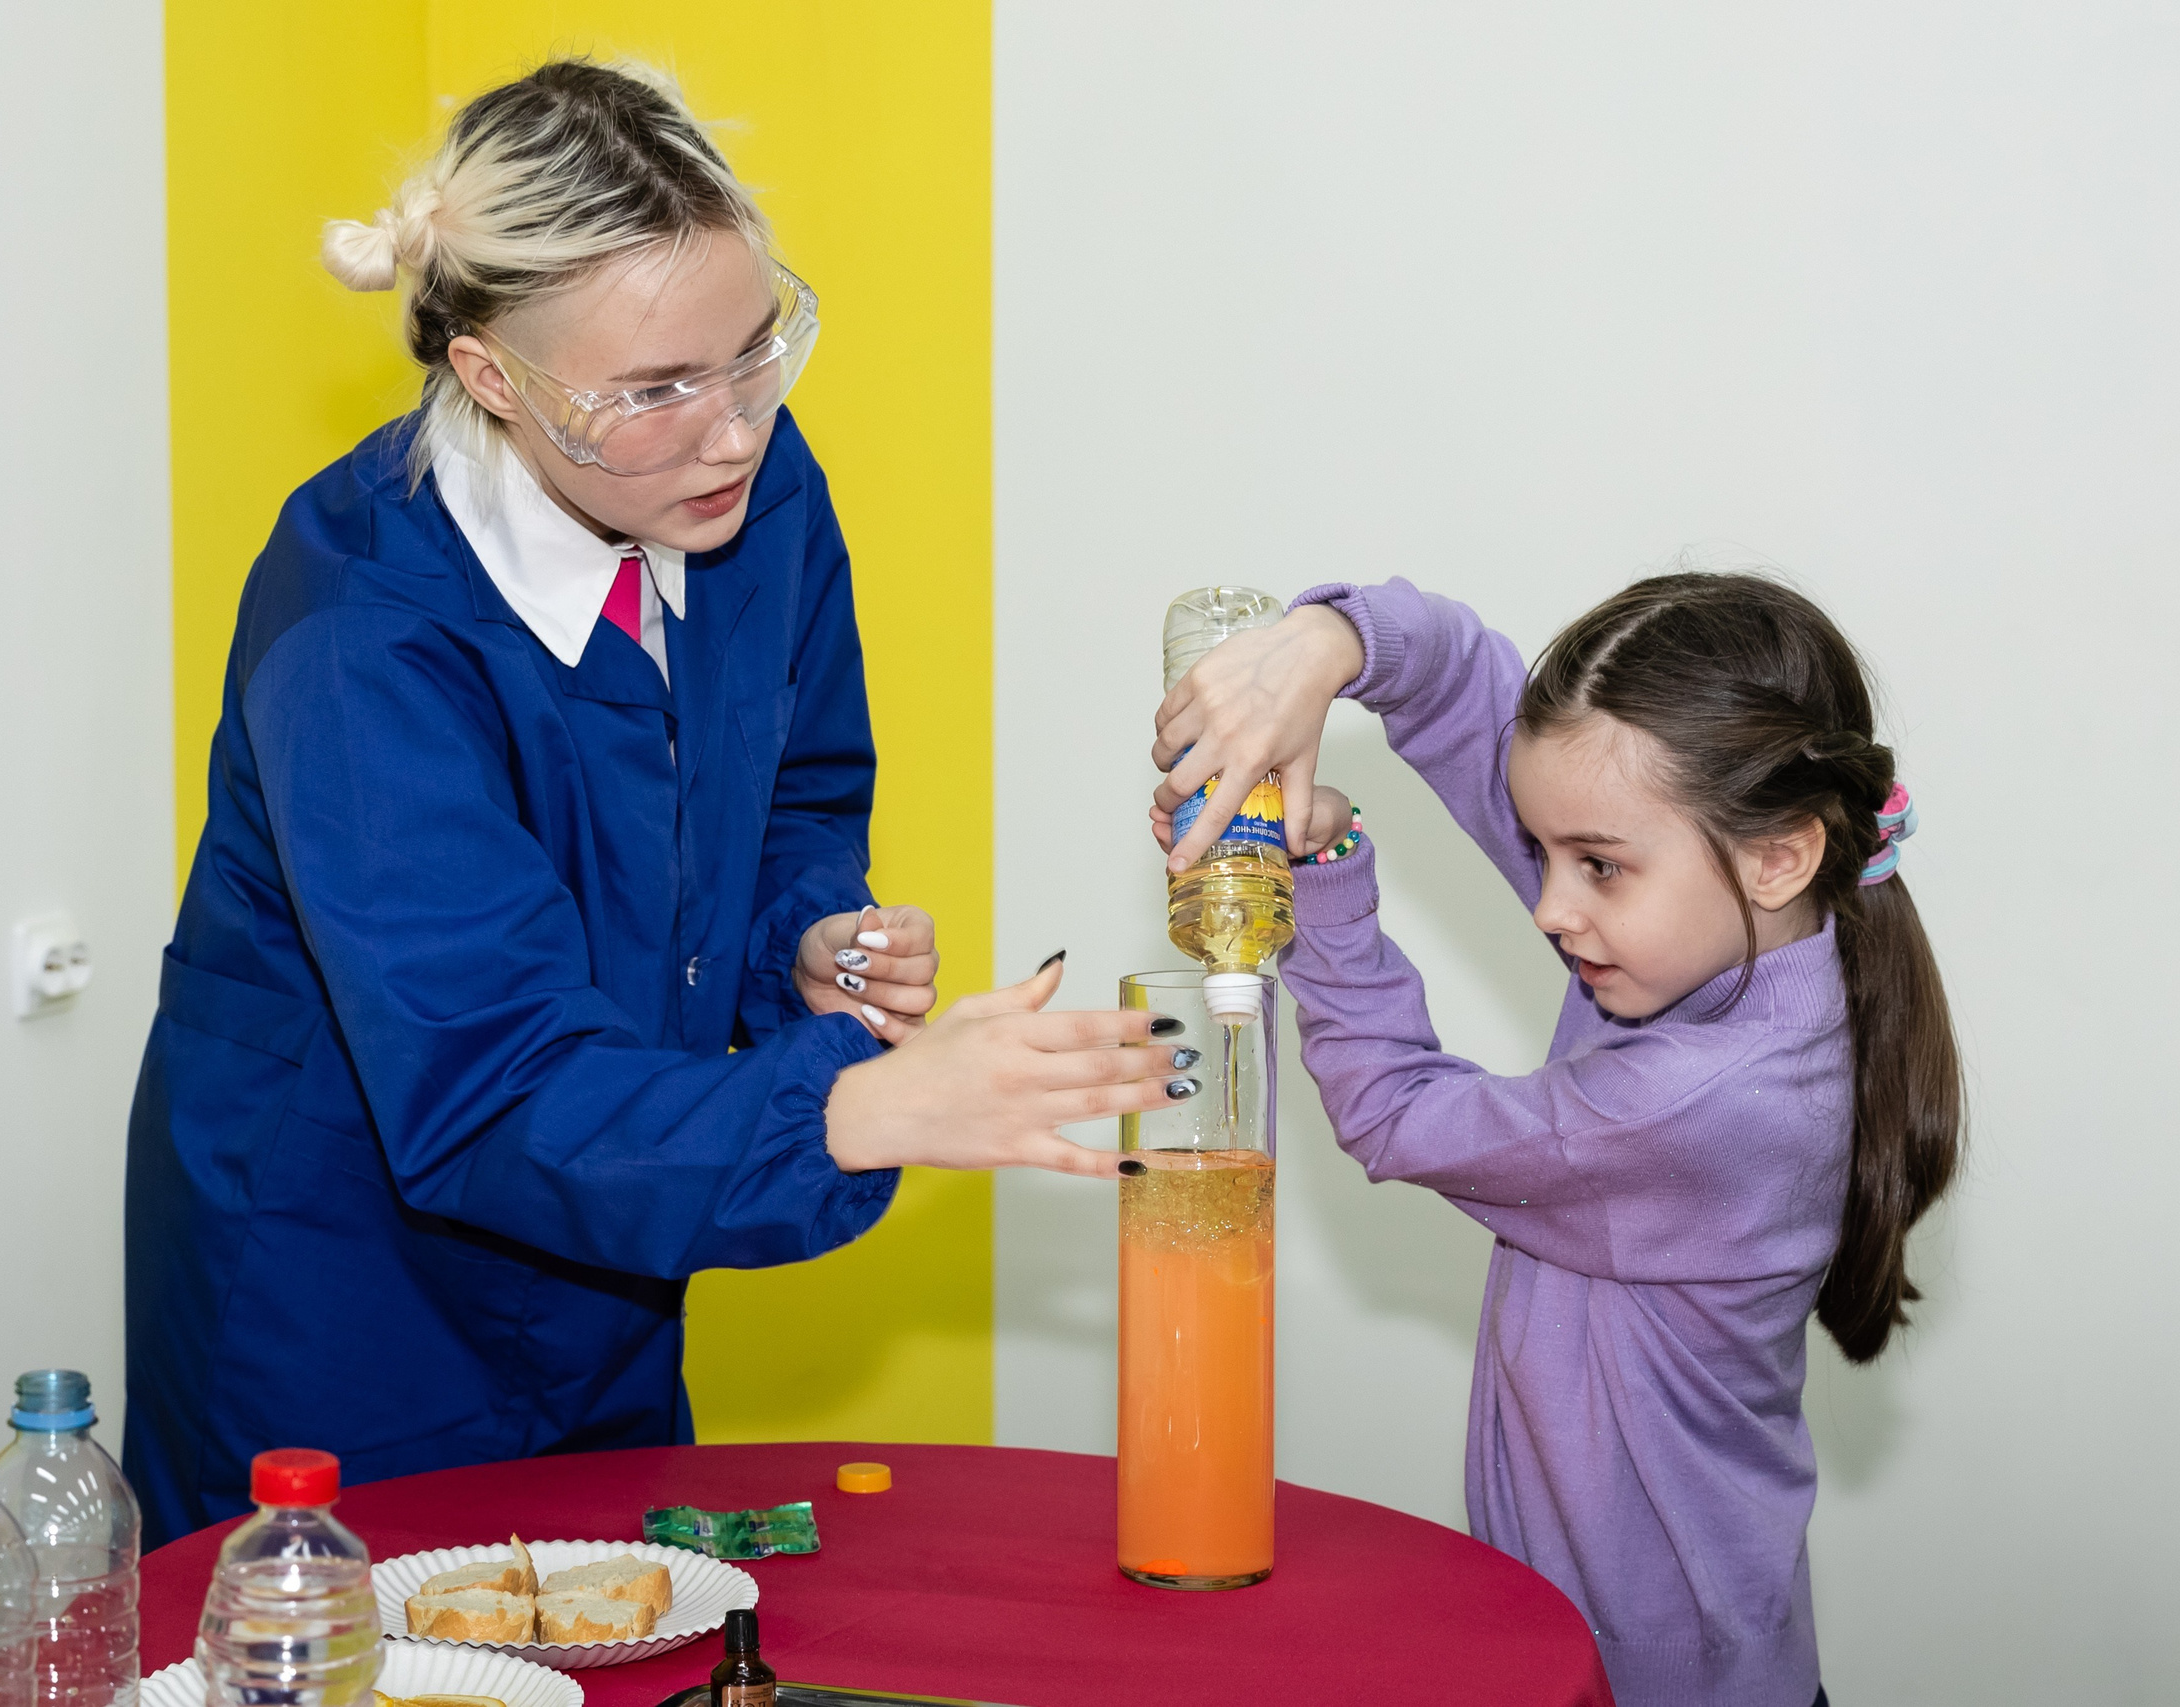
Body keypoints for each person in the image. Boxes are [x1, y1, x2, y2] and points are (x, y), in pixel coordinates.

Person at [125, 58, 1193, 1548]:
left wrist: (801, 938)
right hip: (344, 1300)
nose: (735, 426)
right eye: (656, 390)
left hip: (618, 1235)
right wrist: (865, 1102)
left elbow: (799, 782)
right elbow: (489, 1085)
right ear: (491, 376)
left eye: (757, 350)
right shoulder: (360, 635)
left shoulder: (740, 488)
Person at [1152, 573, 1962, 1707]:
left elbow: (1392, 1112)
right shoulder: (1724, 943)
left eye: (1595, 866)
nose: (1549, 905)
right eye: (1542, 852)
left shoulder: (1700, 1103)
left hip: (1648, 1684)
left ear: (1780, 853)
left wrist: (1326, 880)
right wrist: (1331, 644)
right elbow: (1462, 684)